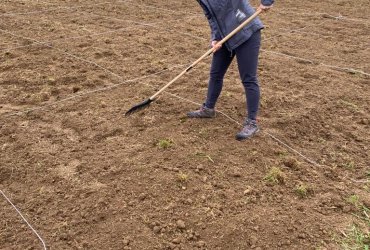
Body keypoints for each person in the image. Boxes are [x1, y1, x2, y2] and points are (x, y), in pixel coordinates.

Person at [188, 0, 274, 140]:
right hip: (225, 37)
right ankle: (208, 109)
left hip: (247, 32)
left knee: (248, 78)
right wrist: (215, 37)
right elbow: (211, 16)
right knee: (215, 74)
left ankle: (252, 122)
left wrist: (267, 1)